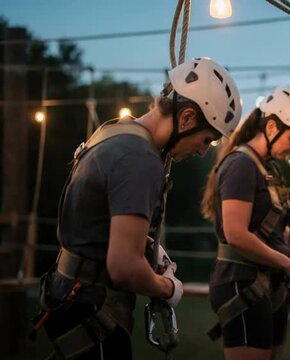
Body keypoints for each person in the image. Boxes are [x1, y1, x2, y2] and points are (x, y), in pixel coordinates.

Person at [36, 57, 242, 360]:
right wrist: (167, 288)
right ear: (186, 118)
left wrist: (142, 244)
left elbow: (94, 221)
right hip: (93, 309)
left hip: (67, 295)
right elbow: (123, 267)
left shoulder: (113, 133)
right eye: (207, 140)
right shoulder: (141, 160)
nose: (201, 152)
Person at [201, 86, 290, 360]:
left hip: (269, 281)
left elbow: (277, 223)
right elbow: (236, 234)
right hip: (242, 282)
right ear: (272, 126)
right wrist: (288, 263)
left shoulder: (268, 167)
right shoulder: (241, 165)